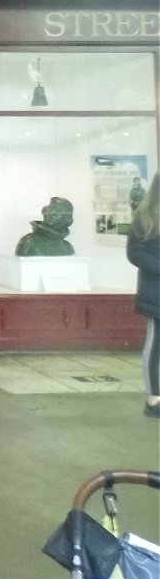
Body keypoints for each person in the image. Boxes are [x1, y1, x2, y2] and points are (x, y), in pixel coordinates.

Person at [126, 172, 160, 418]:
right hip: (156, 293)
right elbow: (135, 254)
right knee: (154, 345)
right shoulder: (144, 216)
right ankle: (154, 399)